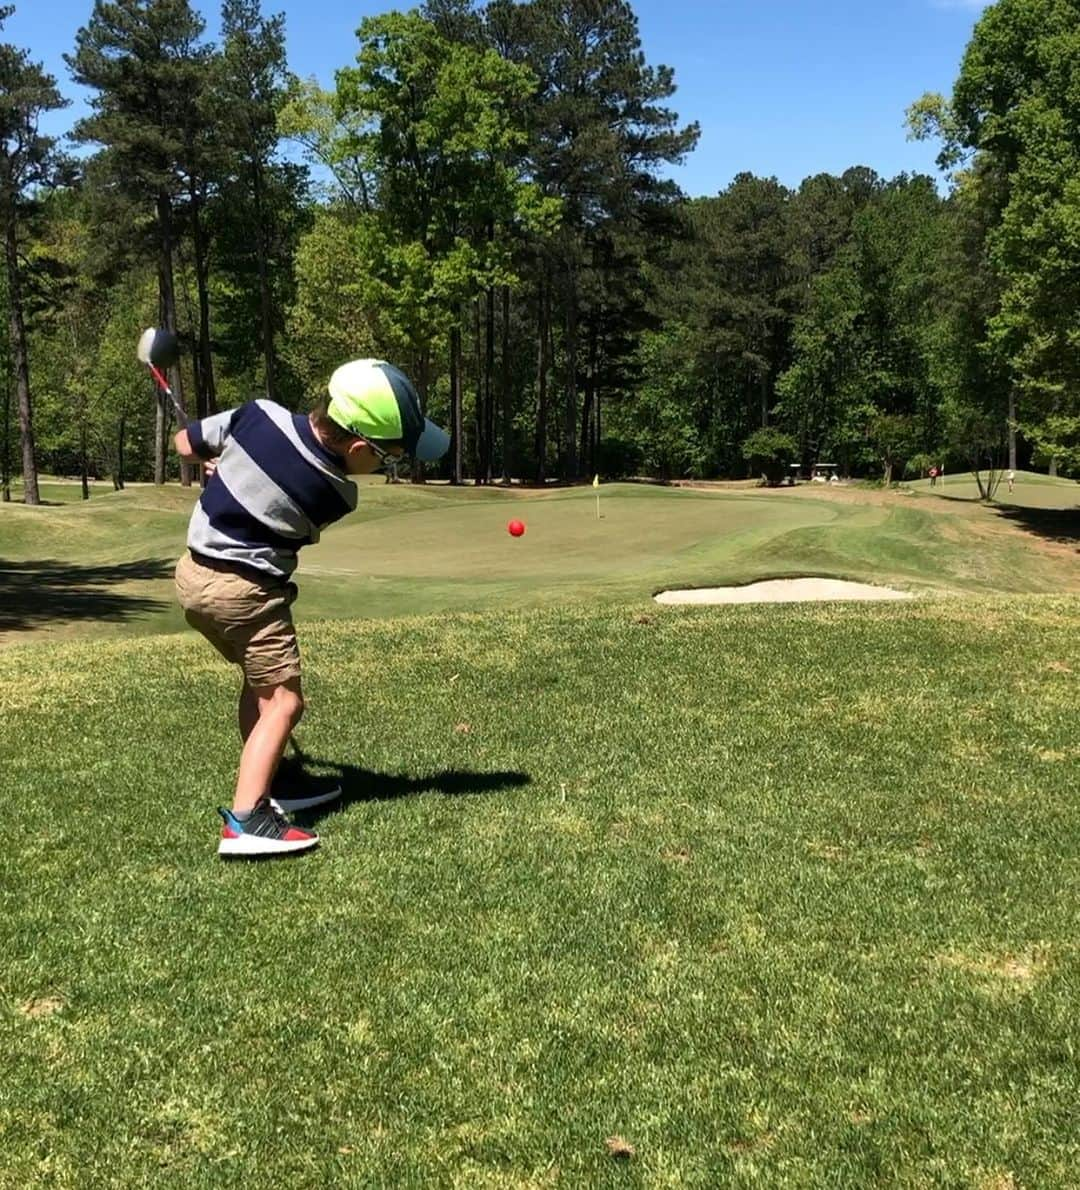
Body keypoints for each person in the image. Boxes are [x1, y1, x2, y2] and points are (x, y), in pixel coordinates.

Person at [173, 360, 449, 858]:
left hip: (193, 579)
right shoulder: (336, 492)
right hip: (247, 594)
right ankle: (247, 820)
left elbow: (185, 444)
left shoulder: (257, 415)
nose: (387, 467)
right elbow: (279, 489)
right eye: (388, 458)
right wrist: (231, 468)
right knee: (284, 702)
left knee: (261, 686)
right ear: (360, 448)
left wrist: (218, 464)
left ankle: (272, 777)